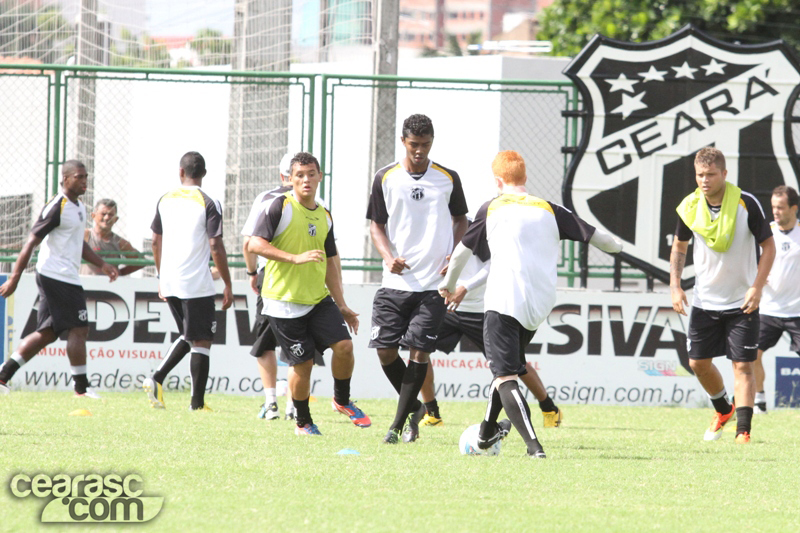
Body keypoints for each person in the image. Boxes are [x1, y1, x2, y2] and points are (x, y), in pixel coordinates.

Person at [440, 150, 622, 458]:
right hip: (538, 307)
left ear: (498, 180)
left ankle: (534, 447)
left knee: (504, 376)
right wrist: (617, 247)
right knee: (506, 367)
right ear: (525, 178)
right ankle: (486, 432)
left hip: (504, 301)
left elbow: (461, 253)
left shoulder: (492, 207)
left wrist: (448, 285)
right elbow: (602, 240)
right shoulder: (550, 209)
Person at [248, 151, 370, 436]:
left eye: (311, 174)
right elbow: (254, 244)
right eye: (299, 175)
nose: (306, 180)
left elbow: (330, 262)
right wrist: (293, 257)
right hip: (283, 303)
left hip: (317, 299)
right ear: (290, 179)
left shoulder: (325, 215)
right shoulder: (279, 206)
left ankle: (341, 400)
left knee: (345, 347)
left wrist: (342, 304)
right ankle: (303, 422)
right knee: (302, 366)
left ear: (319, 177)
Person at [367, 113, 469, 444]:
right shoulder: (385, 177)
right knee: (384, 350)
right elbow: (375, 225)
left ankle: (397, 427)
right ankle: (415, 409)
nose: (419, 151)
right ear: (403, 142)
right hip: (394, 283)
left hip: (432, 287)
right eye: (414, 145)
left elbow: (461, 221)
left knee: (419, 353)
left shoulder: (447, 178)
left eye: (425, 145)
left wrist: (452, 255)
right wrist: (387, 256)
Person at [670, 146, 775, 444]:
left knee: (742, 365)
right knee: (697, 364)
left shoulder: (746, 203)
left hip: (742, 300)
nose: (705, 180)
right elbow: (679, 247)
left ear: (724, 174)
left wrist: (757, 286)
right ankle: (723, 410)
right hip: (705, 301)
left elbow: (769, 247)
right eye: (700, 175)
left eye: (711, 174)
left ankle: (743, 432)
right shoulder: (689, 206)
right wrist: (675, 286)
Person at [0, 160, 119, 396]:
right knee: (79, 328)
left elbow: (79, 245)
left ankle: (3, 376)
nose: (85, 181)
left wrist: (103, 264)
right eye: (80, 177)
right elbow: (31, 243)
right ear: (65, 179)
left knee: (47, 333)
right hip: (56, 276)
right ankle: (81, 388)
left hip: (63, 275)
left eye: (86, 177)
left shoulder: (80, 207)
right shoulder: (57, 207)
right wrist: (14, 279)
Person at [421, 237, 563, 429]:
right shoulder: (441, 227)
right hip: (448, 307)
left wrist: (465, 286)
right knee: (419, 349)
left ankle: (549, 408)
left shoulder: (481, 229)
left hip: (481, 309)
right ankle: (432, 413)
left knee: (515, 364)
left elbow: (494, 265)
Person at [143, 151, 233, 411]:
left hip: (170, 281)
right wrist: (227, 283)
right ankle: (195, 403)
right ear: (204, 174)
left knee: (189, 335)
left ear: (180, 172)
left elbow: (155, 241)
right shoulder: (209, 201)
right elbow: (215, 244)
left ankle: (158, 379)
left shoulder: (165, 198)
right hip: (196, 283)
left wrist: (161, 276)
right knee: (202, 339)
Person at [241, 153, 293, 420]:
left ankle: (271, 402)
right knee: (299, 344)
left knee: (265, 342)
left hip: (270, 277)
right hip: (305, 278)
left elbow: (248, 243)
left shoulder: (265, 199)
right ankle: (293, 407)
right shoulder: (318, 202)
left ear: (281, 174)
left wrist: (252, 272)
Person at [754, 185, 800, 414]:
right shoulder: (765, 234)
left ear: (794, 208)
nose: (776, 212)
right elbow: (750, 263)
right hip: (768, 310)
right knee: (752, 354)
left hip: (797, 312)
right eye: (773, 207)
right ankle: (759, 401)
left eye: (781, 207)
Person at [81, 198, 144, 276]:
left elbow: (141, 261)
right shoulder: (85, 235)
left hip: (109, 286)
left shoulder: (119, 242)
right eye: (103, 214)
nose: (107, 218)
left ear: (116, 219)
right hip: (86, 285)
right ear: (93, 215)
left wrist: (120, 273)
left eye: (111, 215)